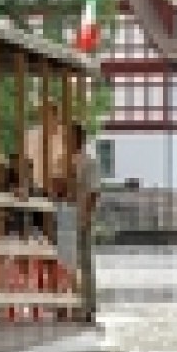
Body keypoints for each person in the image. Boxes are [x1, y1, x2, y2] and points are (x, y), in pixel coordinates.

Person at [71, 122, 99, 323]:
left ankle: (88, 305)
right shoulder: (63, 161)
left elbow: (94, 191)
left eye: (71, 137)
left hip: (80, 215)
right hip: (66, 216)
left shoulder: (89, 163)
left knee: (85, 261)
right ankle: (71, 301)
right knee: (68, 260)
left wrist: (87, 215)